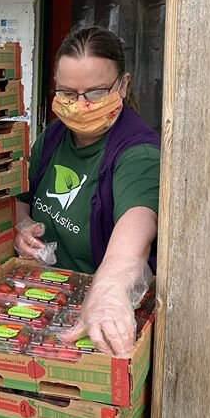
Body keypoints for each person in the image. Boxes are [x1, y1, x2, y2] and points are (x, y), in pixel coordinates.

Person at [15, 26, 160, 357]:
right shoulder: (53, 136)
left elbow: (135, 233)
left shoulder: (139, 154)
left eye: (95, 92)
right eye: (67, 93)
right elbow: (21, 199)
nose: (80, 105)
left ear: (123, 84)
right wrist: (21, 227)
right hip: (44, 300)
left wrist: (108, 292)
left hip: (98, 319)